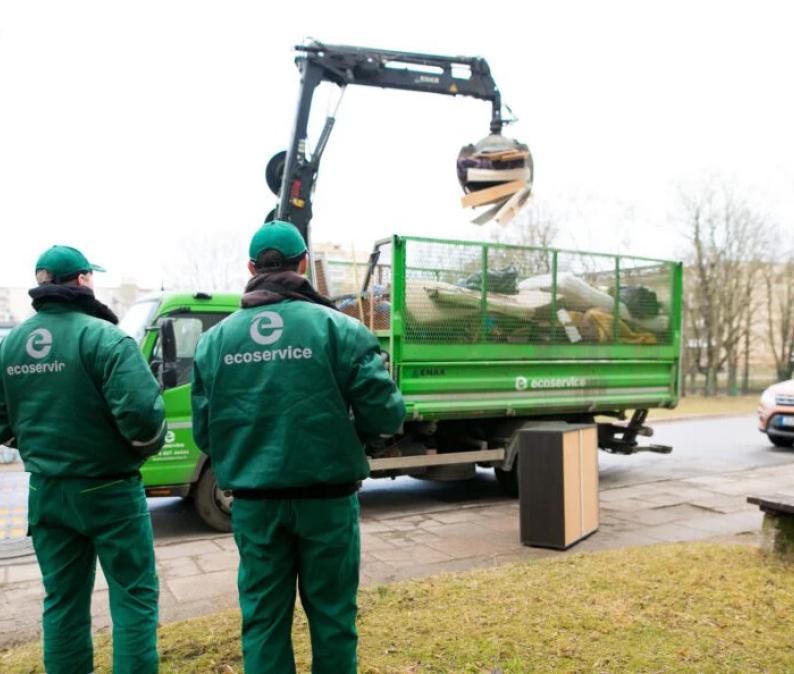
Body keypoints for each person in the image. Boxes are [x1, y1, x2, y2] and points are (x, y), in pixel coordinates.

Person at [191, 221, 405, 674]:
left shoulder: (214, 342)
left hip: (254, 504)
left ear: (250, 268)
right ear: (304, 264)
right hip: (327, 502)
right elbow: (385, 413)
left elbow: (206, 433)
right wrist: (359, 438)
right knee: (333, 618)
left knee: (264, 621)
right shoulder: (339, 329)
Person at [0, 245, 167, 674]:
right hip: (109, 489)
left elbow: (3, 422)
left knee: (62, 600)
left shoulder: (12, 344)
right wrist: (136, 448)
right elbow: (144, 418)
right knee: (132, 596)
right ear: (81, 280)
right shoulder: (105, 337)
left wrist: (36, 443)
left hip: (47, 489)